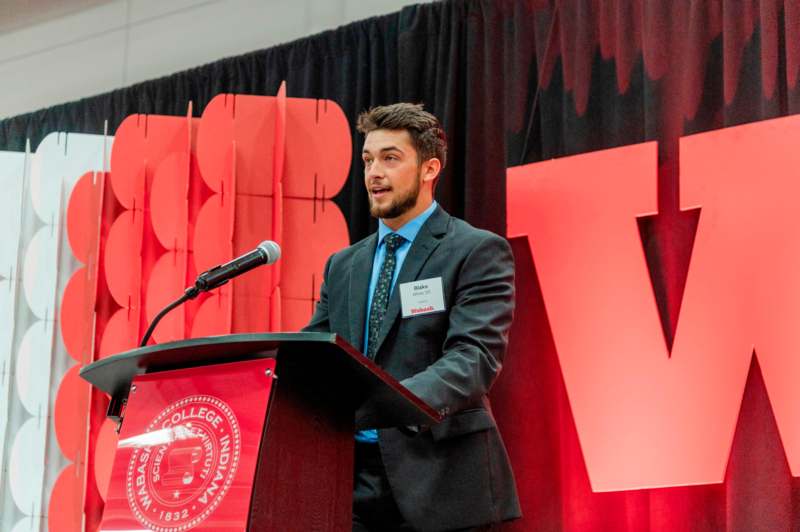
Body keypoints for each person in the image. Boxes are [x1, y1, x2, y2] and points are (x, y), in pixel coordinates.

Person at [304, 103, 520, 532]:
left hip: (443, 482)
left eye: (390, 158)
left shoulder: (475, 250)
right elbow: (314, 359)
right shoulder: (342, 266)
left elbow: (473, 360)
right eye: (368, 160)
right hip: (349, 485)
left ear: (429, 169)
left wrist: (378, 407)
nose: (373, 173)